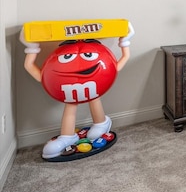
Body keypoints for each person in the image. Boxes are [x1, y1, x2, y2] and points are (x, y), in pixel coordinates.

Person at [20, 23, 133, 159]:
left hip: (95, 88)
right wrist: (31, 46)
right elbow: (29, 66)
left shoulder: (103, 61)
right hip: (70, 94)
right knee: (72, 106)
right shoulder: (54, 68)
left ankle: (101, 123)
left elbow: (122, 60)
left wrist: (125, 39)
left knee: (92, 99)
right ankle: (67, 136)